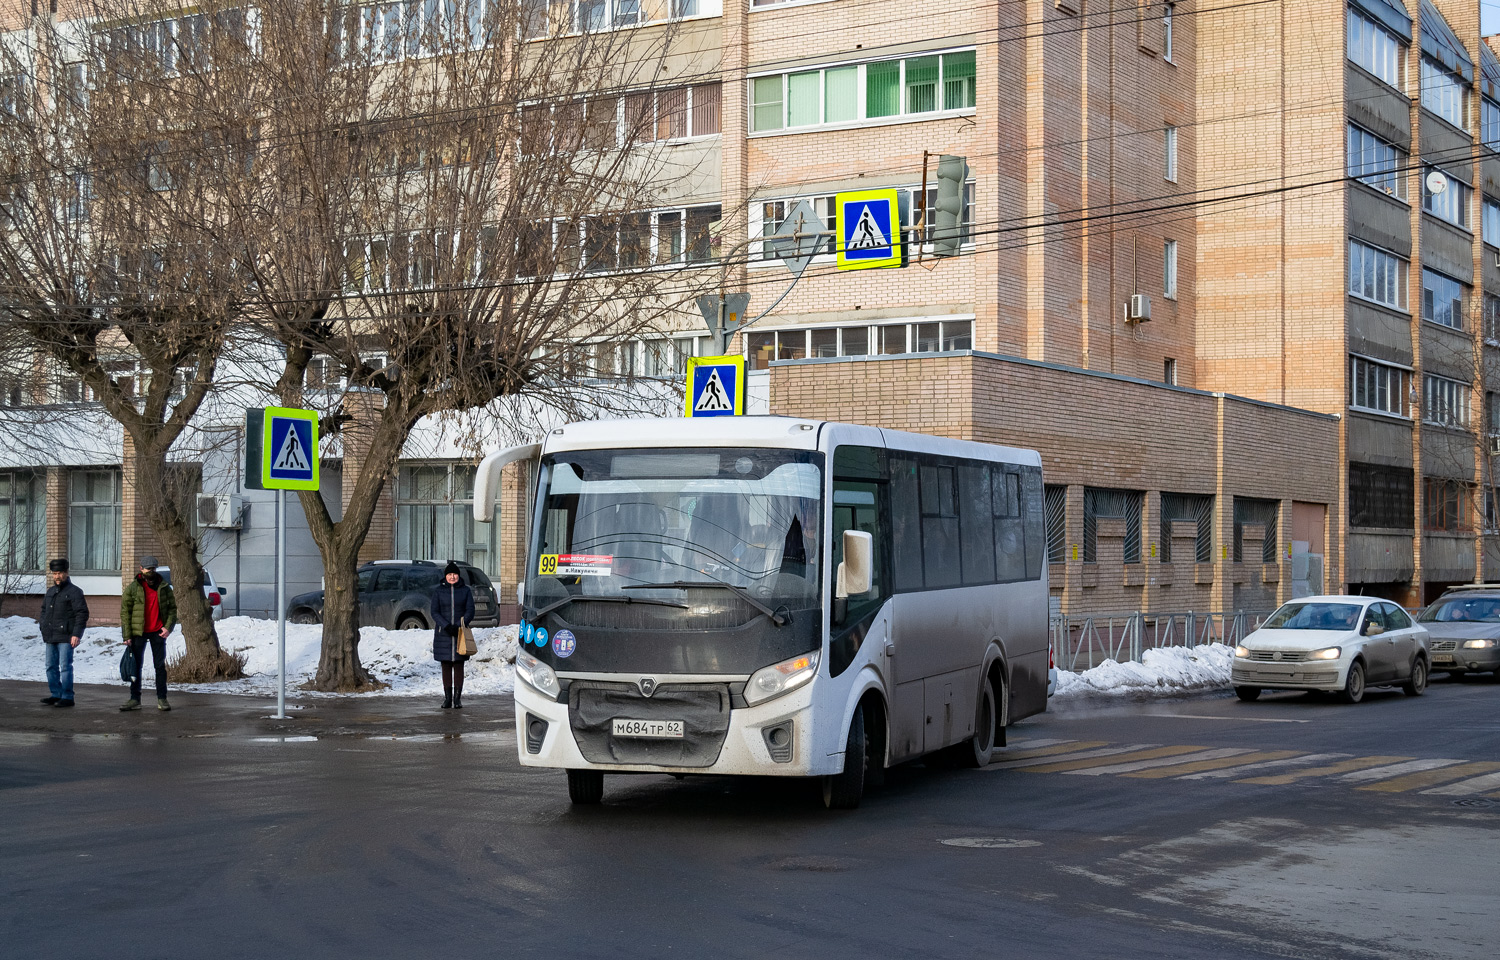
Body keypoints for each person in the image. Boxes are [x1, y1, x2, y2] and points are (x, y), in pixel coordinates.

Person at [120, 556, 178, 712]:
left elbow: (173, 609)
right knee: (135, 666)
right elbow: (125, 612)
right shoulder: (133, 588)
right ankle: (134, 699)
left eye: (153, 569)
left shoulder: (164, 587)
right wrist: (127, 635)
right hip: (139, 632)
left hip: (158, 632)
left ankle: (162, 699)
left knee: (159, 666)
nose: (151, 572)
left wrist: (168, 627)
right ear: (141, 569)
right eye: (148, 569)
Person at [39, 558, 89, 708]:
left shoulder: (74, 592)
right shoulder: (50, 591)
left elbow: (82, 614)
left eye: (59, 573)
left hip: (66, 636)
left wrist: (76, 634)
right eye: (54, 574)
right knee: (50, 666)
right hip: (50, 635)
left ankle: (67, 696)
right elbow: (43, 610)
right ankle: (56, 694)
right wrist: (43, 625)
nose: (56, 577)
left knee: (65, 666)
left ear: (66, 573)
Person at [430, 561, 476, 710]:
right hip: (443, 633)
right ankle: (447, 698)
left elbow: (470, 610)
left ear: (458, 576)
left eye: (454, 574)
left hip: (460, 633)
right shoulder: (438, 591)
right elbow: (434, 612)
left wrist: (457, 625)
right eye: (449, 574)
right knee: (446, 665)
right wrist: (446, 625)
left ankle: (457, 699)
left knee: (458, 665)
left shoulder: (466, 591)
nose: (452, 577)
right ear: (445, 576)